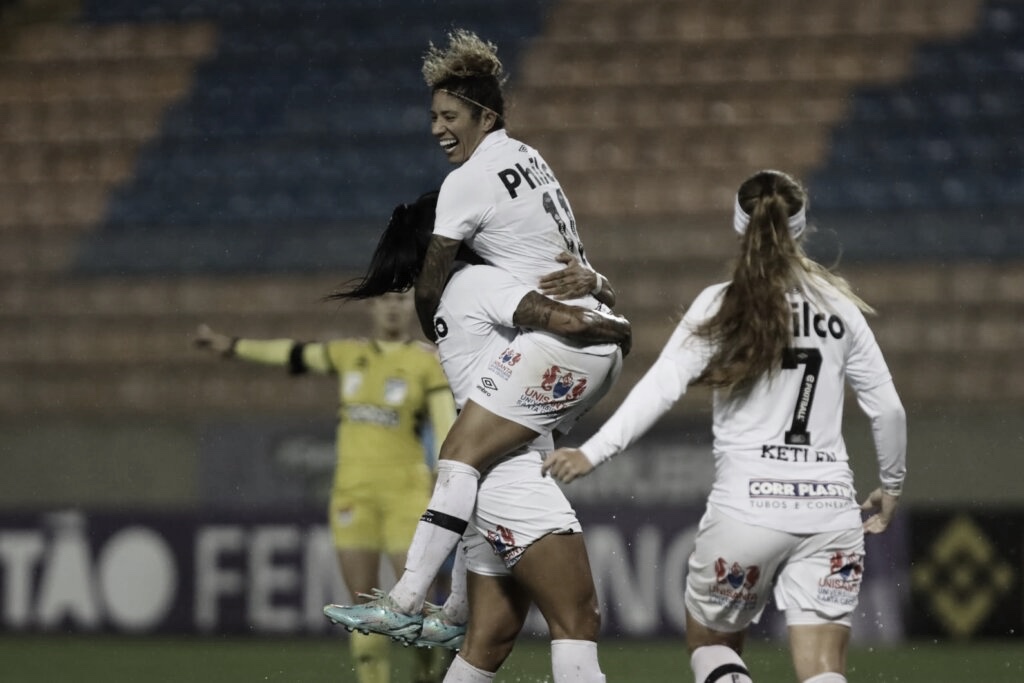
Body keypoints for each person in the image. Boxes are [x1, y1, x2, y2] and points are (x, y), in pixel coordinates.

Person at [322, 27, 622, 656]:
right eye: (433, 115)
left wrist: (434, 321)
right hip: (584, 344)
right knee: (489, 633)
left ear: (485, 115)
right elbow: (563, 256)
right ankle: (449, 605)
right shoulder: (530, 158)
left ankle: (406, 595)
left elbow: (433, 278)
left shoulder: (469, 246)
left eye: (449, 115)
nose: (437, 129)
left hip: (570, 343)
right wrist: (603, 294)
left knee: (460, 454)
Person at [543, 169, 908, 683]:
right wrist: (891, 485)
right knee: (823, 668)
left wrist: (592, 452)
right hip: (830, 511)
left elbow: (661, 386)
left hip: (748, 511)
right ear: (800, 227)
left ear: (741, 225)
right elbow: (888, 409)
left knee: (710, 639)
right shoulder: (841, 309)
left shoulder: (723, 304)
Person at [327, 189, 630, 682]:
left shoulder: (444, 296)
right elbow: (568, 320)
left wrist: (594, 280)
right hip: (511, 474)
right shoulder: (477, 283)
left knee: (488, 640)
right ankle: (406, 598)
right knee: (578, 618)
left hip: (493, 469)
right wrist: (618, 327)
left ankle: (428, 603)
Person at [193, 291, 457, 683]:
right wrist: (233, 347)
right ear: (371, 306)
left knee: (412, 605)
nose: (391, 306)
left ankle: (425, 674)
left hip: (407, 495)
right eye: (384, 298)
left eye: (400, 299)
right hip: (352, 497)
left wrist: (450, 479)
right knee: (363, 607)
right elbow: (293, 353)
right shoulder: (347, 354)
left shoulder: (425, 362)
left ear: (410, 307)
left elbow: (444, 426)